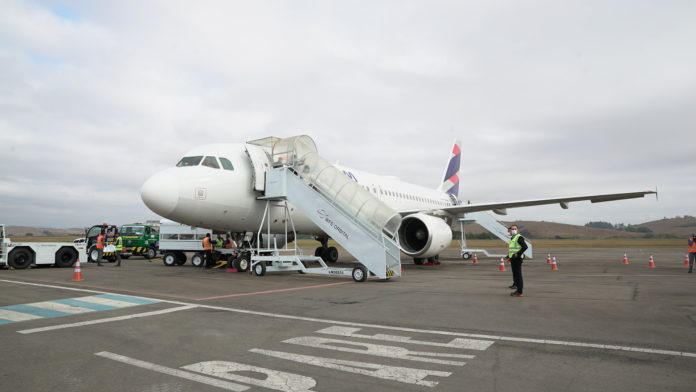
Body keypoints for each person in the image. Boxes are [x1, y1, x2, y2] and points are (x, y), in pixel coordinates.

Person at [507, 225, 528, 297]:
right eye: (512, 229)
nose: (514, 230)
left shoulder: (519, 237)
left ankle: (519, 292)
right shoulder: (513, 238)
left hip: (517, 259)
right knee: (516, 275)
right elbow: (512, 249)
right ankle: (517, 289)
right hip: (513, 259)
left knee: (518, 276)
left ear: (517, 230)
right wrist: (509, 256)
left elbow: (525, 247)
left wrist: (517, 254)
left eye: (515, 229)